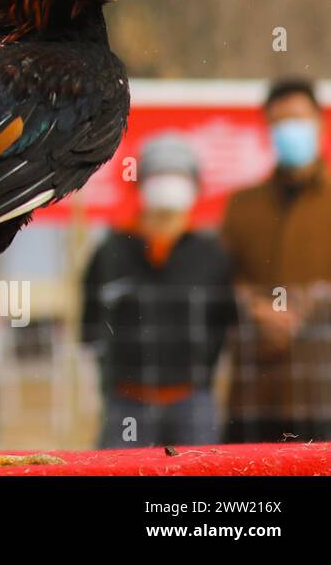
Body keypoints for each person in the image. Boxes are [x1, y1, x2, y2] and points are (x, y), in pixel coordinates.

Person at [81, 133, 236, 448]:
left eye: (177, 175)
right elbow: (90, 324)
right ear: (140, 184)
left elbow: (225, 324)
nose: (167, 184)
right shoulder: (111, 250)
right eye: (158, 174)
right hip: (125, 403)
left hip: (192, 401)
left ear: (194, 185)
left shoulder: (211, 253)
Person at [220, 78, 331, 442]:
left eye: (298, 119)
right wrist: (255, 307)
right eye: (280, 122)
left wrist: (306, 309)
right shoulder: (243, 205)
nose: (290, 131)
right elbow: (221, 276)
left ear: (318, 123)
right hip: (256, 389)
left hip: (322, 384)